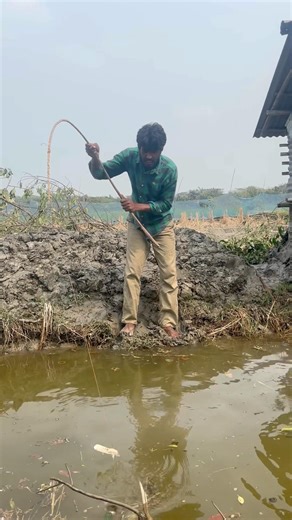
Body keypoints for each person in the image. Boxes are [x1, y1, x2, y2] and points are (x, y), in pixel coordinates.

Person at [86, 122, 179, 339]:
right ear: (139, 148)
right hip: (137, 225)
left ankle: (168, 323)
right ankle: (129, 322)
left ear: (161, 151)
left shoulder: (170, 169)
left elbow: (166, 204)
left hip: (162, 226)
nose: (148, 156)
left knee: (169, 274)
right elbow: (101, 173)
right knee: (132, 272)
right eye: (145, 151)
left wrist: (138, 206)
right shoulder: (129, 157)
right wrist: (95, 157)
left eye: (153, 153)